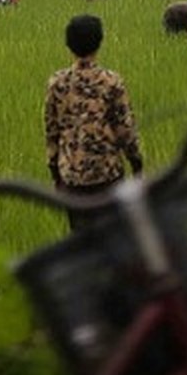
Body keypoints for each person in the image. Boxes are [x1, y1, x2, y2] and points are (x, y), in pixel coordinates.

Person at [45, 15, 143, 230]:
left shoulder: (57, 84)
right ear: (99, 42)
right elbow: (125, 129)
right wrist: (137, 165)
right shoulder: (111, 81)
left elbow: (52, 133)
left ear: (68, 45)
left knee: (81, 242)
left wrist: (55, 174)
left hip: (71, 178)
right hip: (107, 175)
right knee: (113, 239)